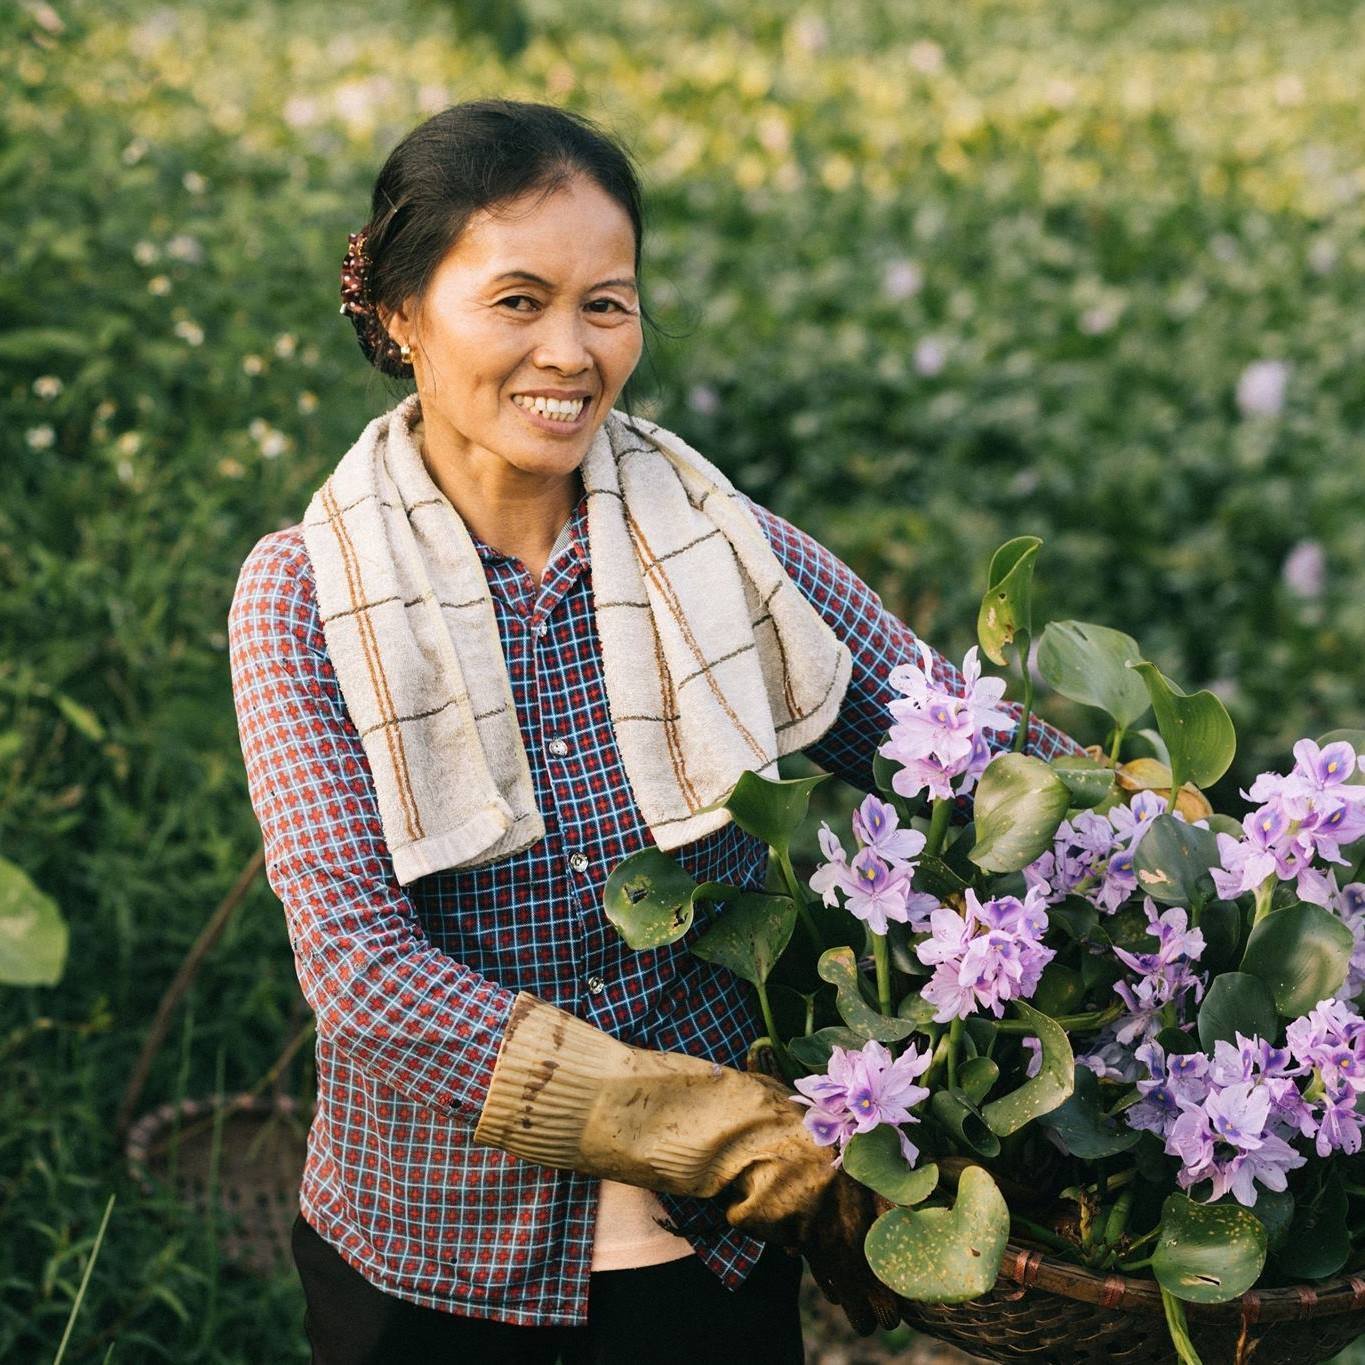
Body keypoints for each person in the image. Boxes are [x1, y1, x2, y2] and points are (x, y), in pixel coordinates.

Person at [227, 98, 1081, 1364]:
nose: (568, 353)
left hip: (711, 1261)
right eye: (517, 301)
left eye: (606, 304)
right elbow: (361, 974)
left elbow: (968, 750)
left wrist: (1216, 847)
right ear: (403, 316)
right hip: (432, 1261)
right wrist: (725, 1130)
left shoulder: (719, 548)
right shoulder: (301, 593)